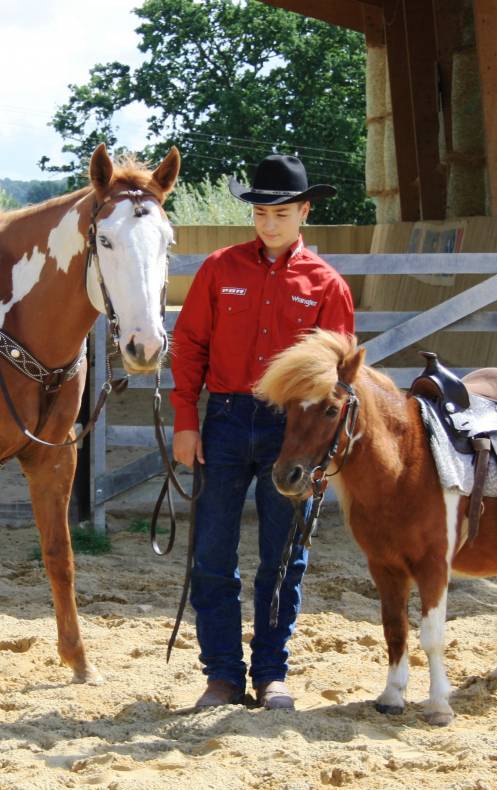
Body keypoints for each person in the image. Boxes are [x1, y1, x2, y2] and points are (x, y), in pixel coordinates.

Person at [170, 153, 355, 710]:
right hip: (225, 419)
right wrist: (185, 419)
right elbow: (190, 344)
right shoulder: (220, 269)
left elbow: (336, 382)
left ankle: (272, 672)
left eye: (280, 212)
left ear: (304, 211)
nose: (269, 223)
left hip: (291, 430)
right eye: (260, 212)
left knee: (283, 555)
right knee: (211, 552)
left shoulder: (326, 285)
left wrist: (321, 450)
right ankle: (223, 674)